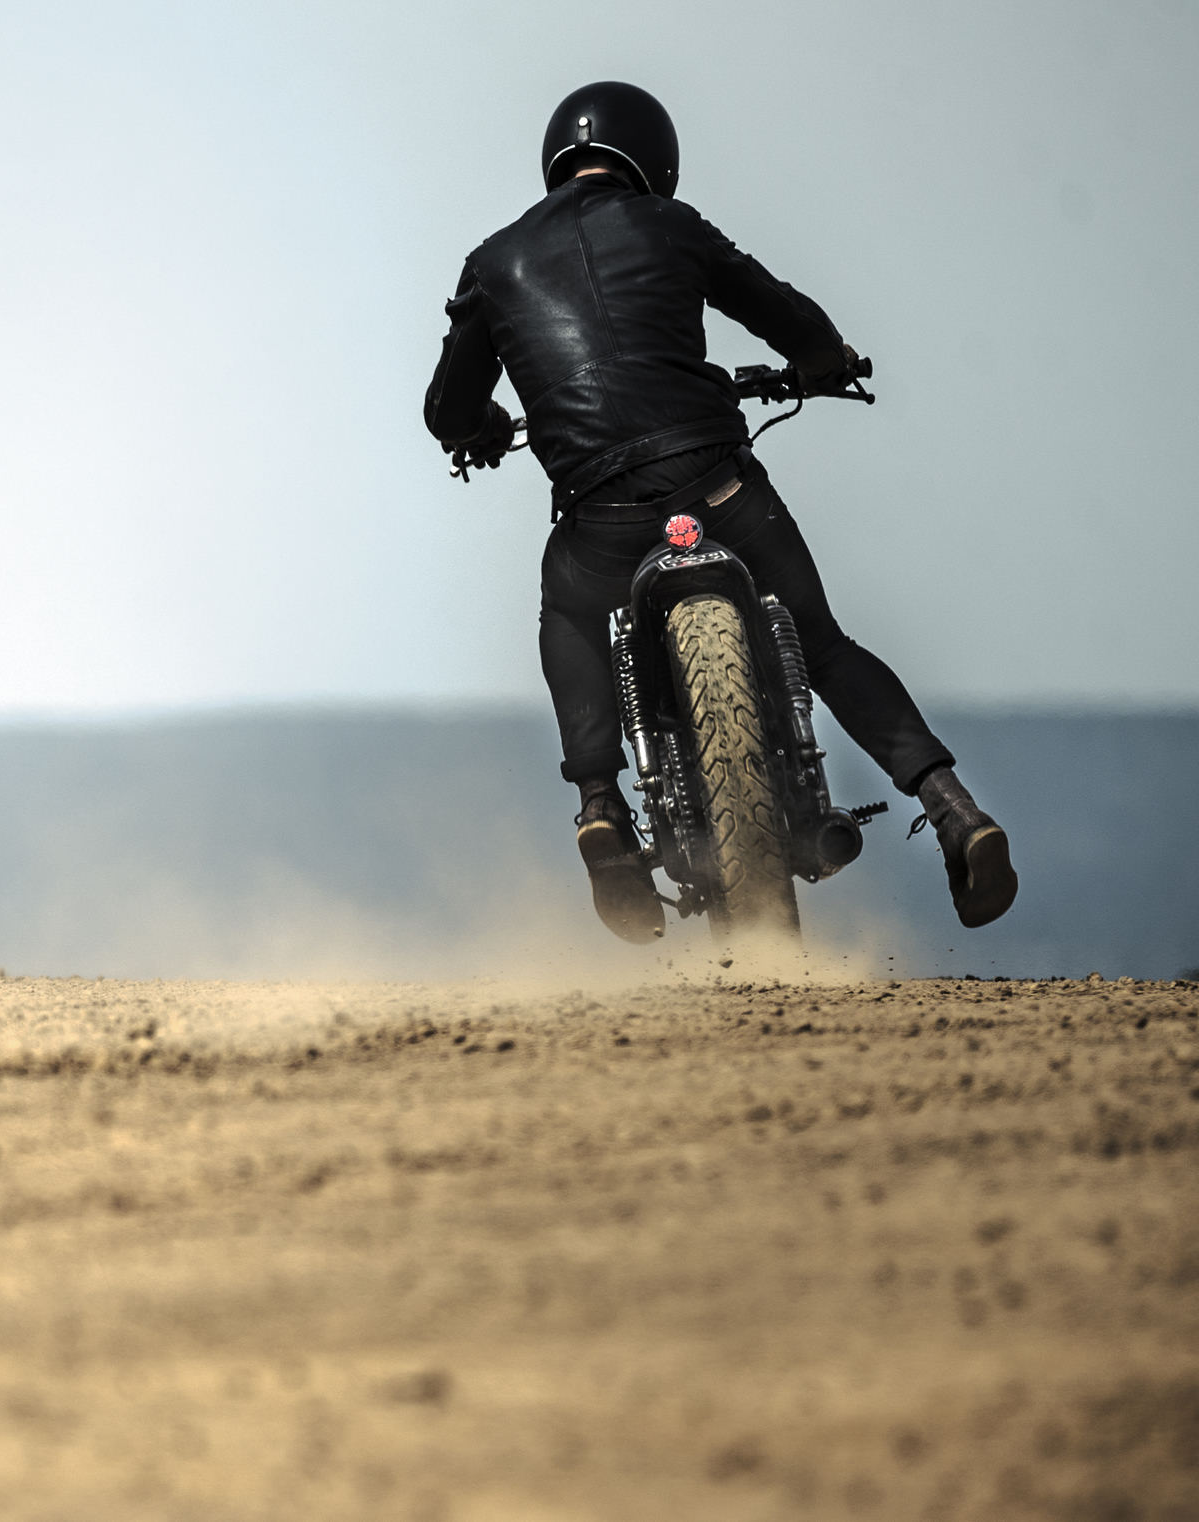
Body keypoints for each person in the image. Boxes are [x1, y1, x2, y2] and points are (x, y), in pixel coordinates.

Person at [422, 80, 1016, 941]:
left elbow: (446, 410)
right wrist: (821, 362)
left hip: (602, 519)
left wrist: (481, 430)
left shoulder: (494, 262)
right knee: (825, 643)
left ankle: (600, 812)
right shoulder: (675, 225)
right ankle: (956, 812)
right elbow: (786, 315)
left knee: (569, 606)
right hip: (719, 490)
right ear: (653, 162)